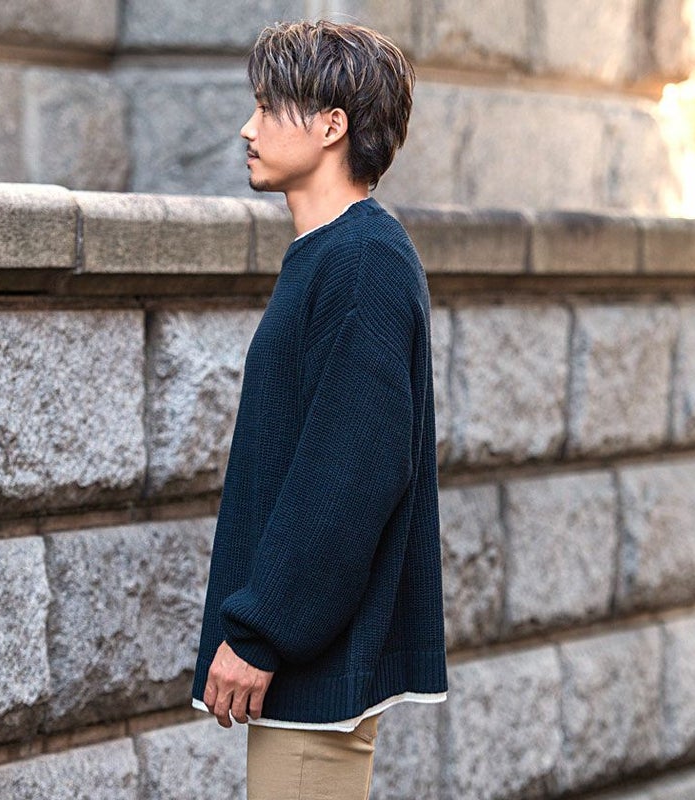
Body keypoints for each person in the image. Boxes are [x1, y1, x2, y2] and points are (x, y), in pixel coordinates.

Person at [190, 18, 448, 800]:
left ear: (332, 126)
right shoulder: (333, 253)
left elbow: (352, 471)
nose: (248, 127)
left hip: (314, 678)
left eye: (269, 108)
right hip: (307, 673)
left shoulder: (362, 260)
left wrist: (262, 631)